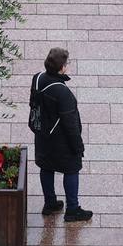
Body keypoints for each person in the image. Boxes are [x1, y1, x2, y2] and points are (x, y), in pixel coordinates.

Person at [31, 47, 92, 222]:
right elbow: (70, 124)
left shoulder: (38, 78)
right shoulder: (62, 92)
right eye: (67, 63)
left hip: (43, 134)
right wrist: (78, 146)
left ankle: (50, 203)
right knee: (72, 169)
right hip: (61, 140)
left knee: (46, 167)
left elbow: (33, 104)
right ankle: (72, 209)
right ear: (62, 68)